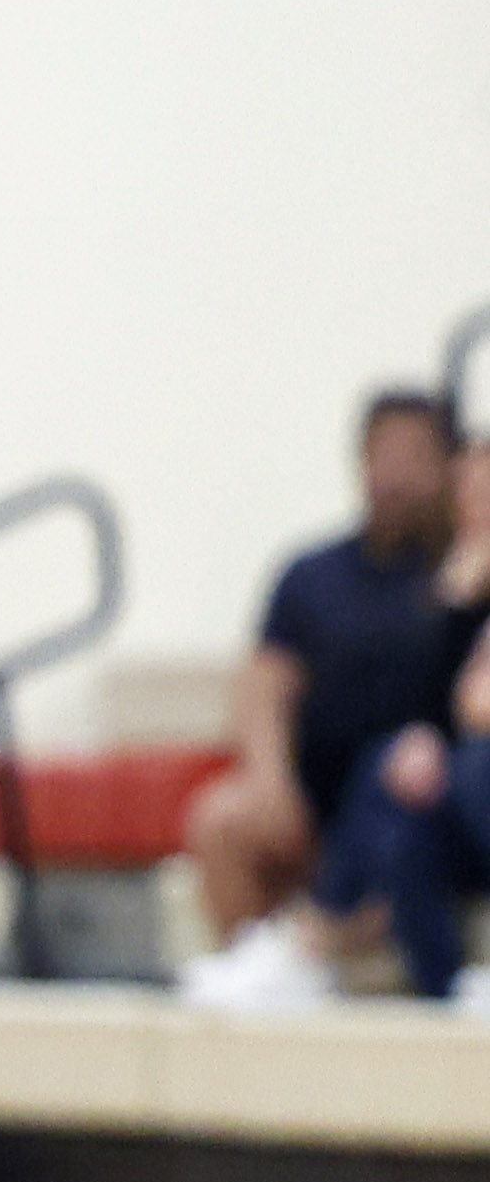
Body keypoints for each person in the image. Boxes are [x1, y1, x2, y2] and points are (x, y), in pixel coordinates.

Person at [179, 391, 490, 1011]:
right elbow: (264, 682)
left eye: (415, 457)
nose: (396, 473)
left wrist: (461, 592)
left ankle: (312, 945)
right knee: (223, 819)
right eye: (382, 454)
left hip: (425, 780)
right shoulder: (314, 573)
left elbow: (457, 701)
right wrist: (270, 778)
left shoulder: (463, 574)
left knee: (397, 780)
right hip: (328, 787)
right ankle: (271, 971)